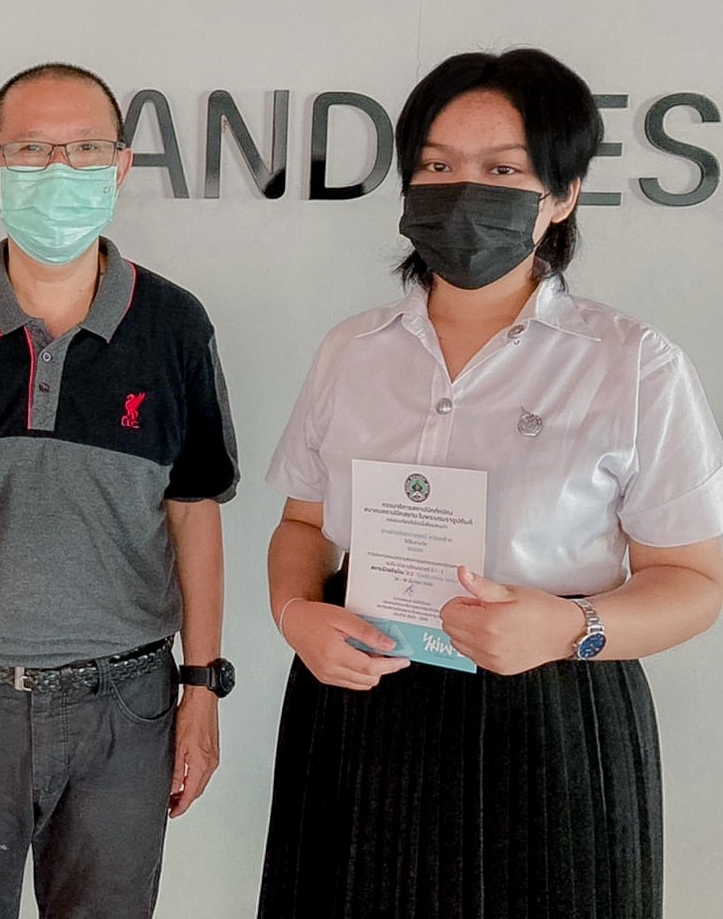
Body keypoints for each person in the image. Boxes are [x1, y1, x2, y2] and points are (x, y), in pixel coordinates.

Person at [259, 47, 723, 918]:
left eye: (503, 170)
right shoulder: (352, 350)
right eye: (437, 167)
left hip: (554, 711)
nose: (463, 190)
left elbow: (696, 582)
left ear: (563, 195)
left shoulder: (634, 365)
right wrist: (295, 615)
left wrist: (571, 628)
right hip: (362, 697)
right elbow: (304, 527)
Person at [0, 62, 240, 918]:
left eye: (85, 149)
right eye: (31, 150)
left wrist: (203, 686)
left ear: (121, 166)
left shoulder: (174, 326)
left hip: (126, 710)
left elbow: (194, 510)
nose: (59, 170)